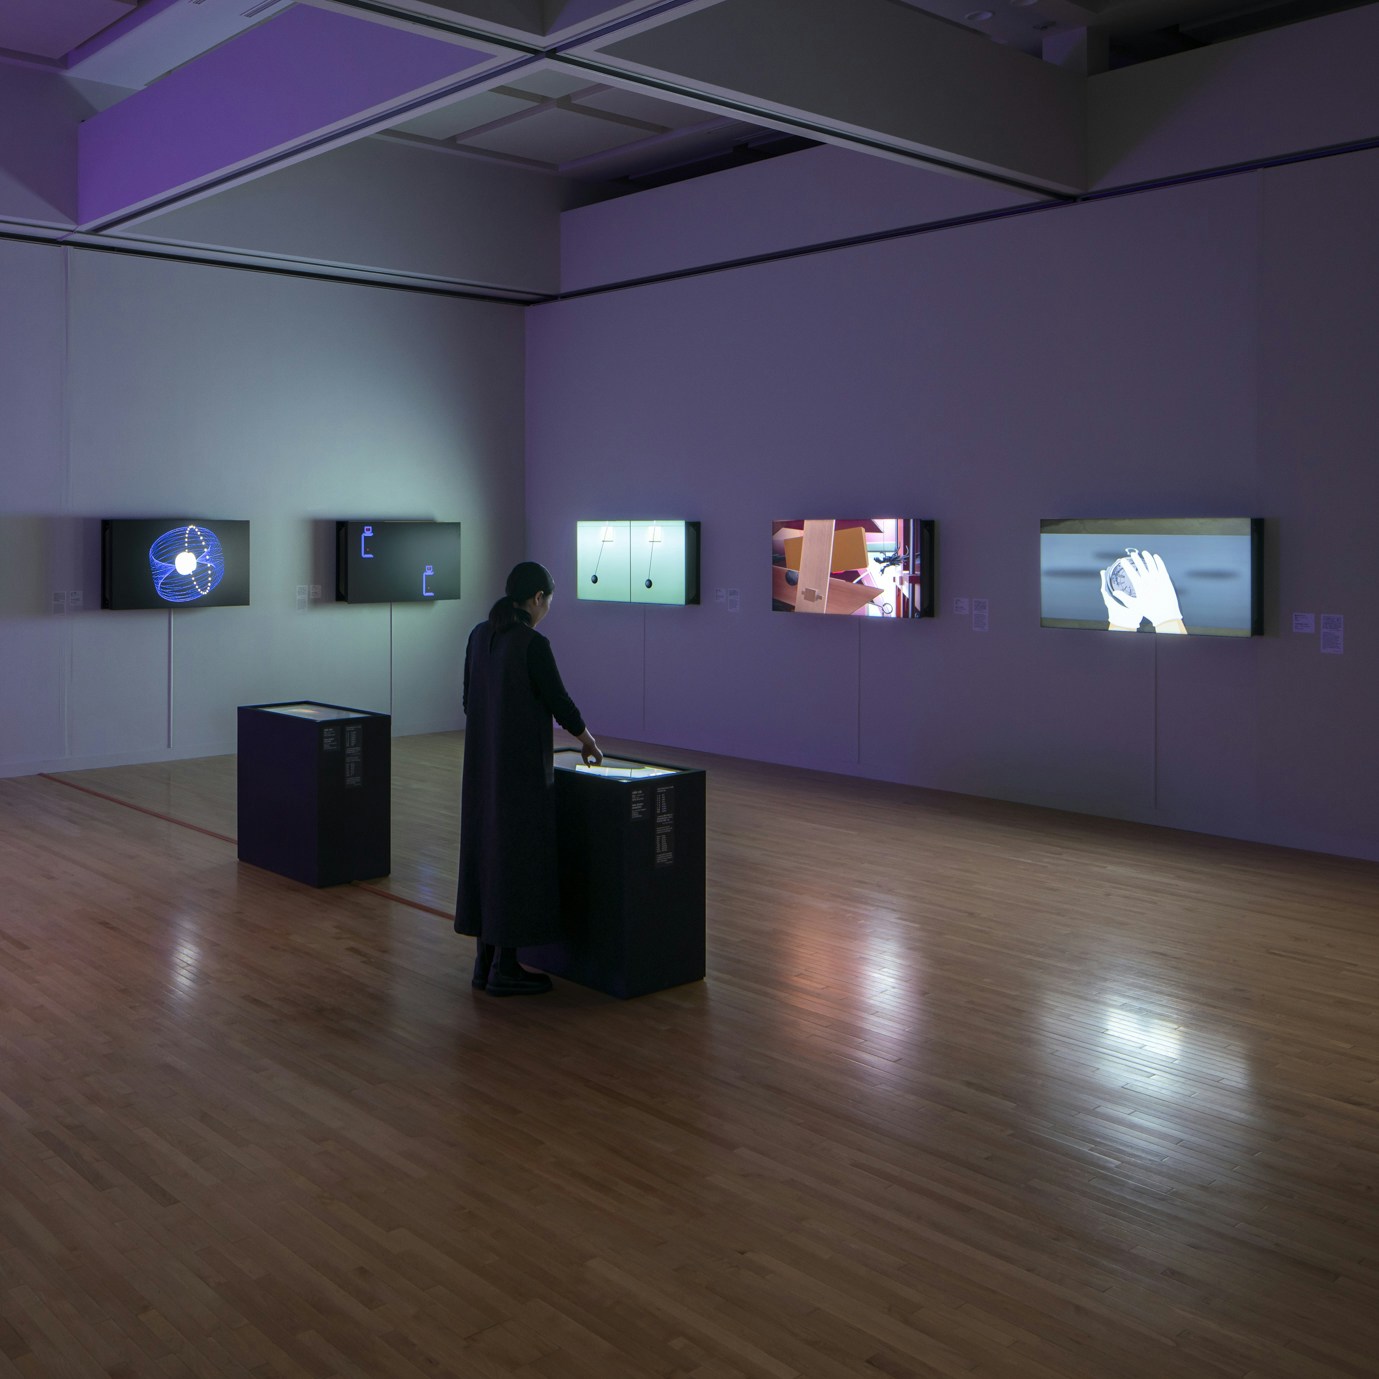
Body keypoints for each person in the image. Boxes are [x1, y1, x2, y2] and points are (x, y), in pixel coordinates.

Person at [455, 561, 602, 996]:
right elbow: (559, 701)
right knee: (516, 861)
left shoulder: (479, 636)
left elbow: (468, 700)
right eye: (549, 601)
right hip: (518, 773)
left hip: (481, 769)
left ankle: (484, 963)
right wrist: (588, 740)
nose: (548, 609)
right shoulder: (532, 644)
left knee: (487, 855)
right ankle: (505, 967)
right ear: (537, 598)